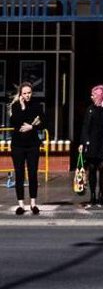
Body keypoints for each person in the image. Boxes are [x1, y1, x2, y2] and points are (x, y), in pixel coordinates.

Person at [8, 83, 43, 216]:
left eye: (29, 93)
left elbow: (44, 122)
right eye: (25, 93)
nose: (27, 95)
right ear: (20, 94)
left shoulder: (36, 105)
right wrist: (22, 107)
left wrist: (32, 127)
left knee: (33, 173)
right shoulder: (16, 106)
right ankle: (21, 205)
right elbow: (14, 122)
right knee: (19, 174)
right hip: (18, 145)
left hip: (33, 145)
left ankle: (33, 203)